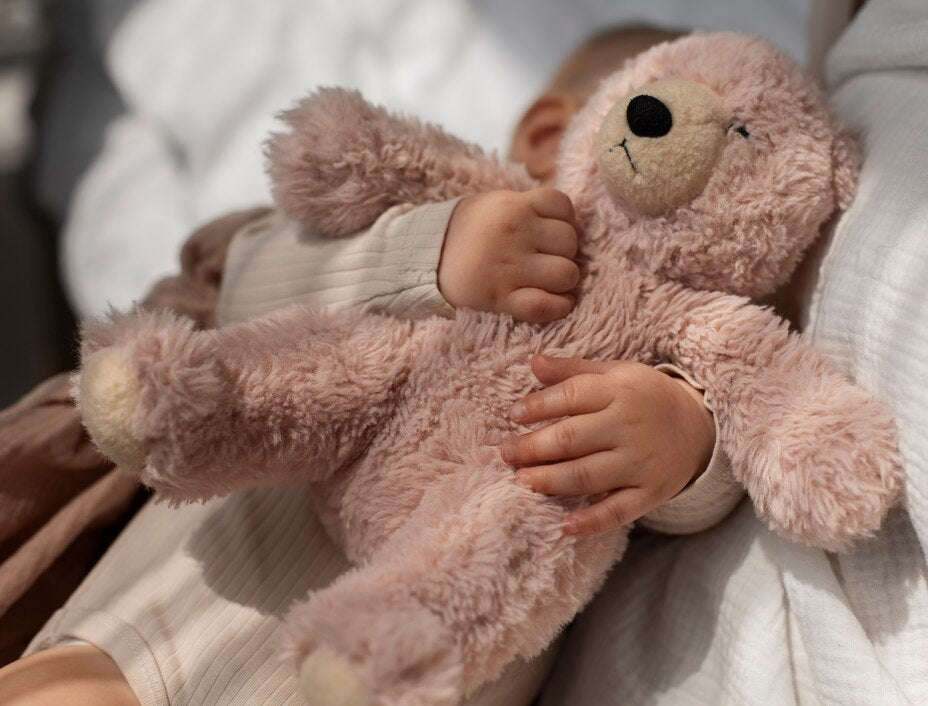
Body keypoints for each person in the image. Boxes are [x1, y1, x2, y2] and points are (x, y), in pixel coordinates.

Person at [0, 25, 747, 704]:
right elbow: (244, 296)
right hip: (185, 608)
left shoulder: (660, 350)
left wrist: (685, 438)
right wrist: (427, 254)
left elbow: (701, 499)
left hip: (399, 667)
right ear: (553, 135)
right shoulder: (444, 214)